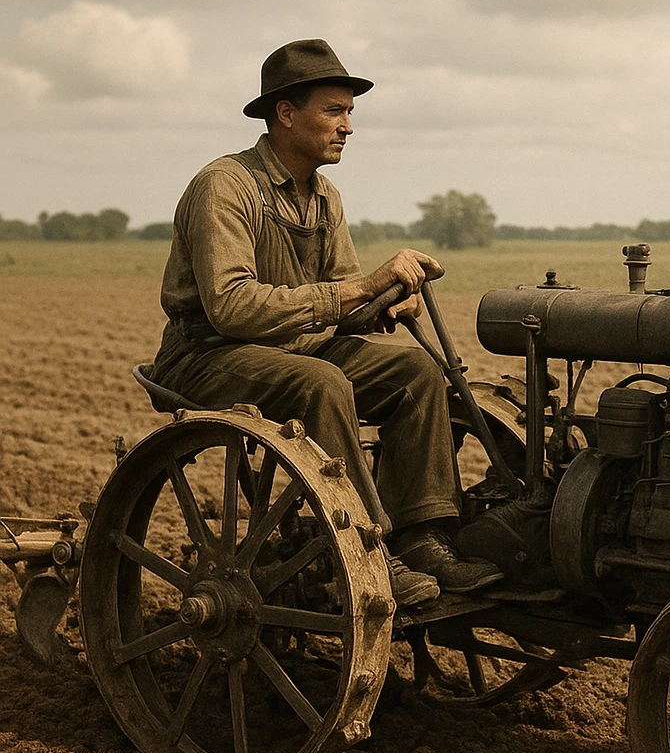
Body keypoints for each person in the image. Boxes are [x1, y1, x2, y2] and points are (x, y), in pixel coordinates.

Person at [149, 37, 502, 607]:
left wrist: (386, 300)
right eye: (334, 111)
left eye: (350, 113)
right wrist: (360, 286)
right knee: (323, 383)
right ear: (285, 114)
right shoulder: (225, 186)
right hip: (207, 354)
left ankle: (422, 538)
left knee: (417, 372)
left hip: (295, 349)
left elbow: (344, 301)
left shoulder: (325, 197)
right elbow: (232, 305)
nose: (348, 127)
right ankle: (361, 553)